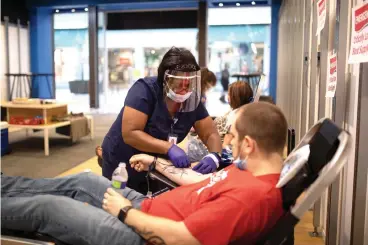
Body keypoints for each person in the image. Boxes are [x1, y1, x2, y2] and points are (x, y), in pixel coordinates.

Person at [1, 102, 288, 245]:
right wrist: (155, 162)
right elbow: (201, 182)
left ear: (249, 144)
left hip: (140, 233)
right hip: (147, 210)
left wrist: (125, 211)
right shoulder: (249, 172)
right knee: (84, 179)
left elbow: (180, 238)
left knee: (49, 208)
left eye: (233, 137)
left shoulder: (251, 199)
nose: (227, 142)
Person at [101, 47, 222, 194]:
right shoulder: (144, 90)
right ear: (166, 79)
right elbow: (130, 133)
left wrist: (214, 155)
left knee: (150, 202)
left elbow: (210, 134)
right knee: (119, 200)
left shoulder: (192, 101)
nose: (184, 89)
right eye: (179, 83)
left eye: (189, 83)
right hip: (122, 159)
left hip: (153, 162)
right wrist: (168, 148)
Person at [187, 81, 254, 164]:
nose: (227, 97)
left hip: (215, 149)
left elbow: (226, 143)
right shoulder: (239, 112)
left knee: (191, 145)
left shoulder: (235, 117)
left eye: (229, 94)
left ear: (235, 97)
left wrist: (217, 156)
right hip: (213, 142)